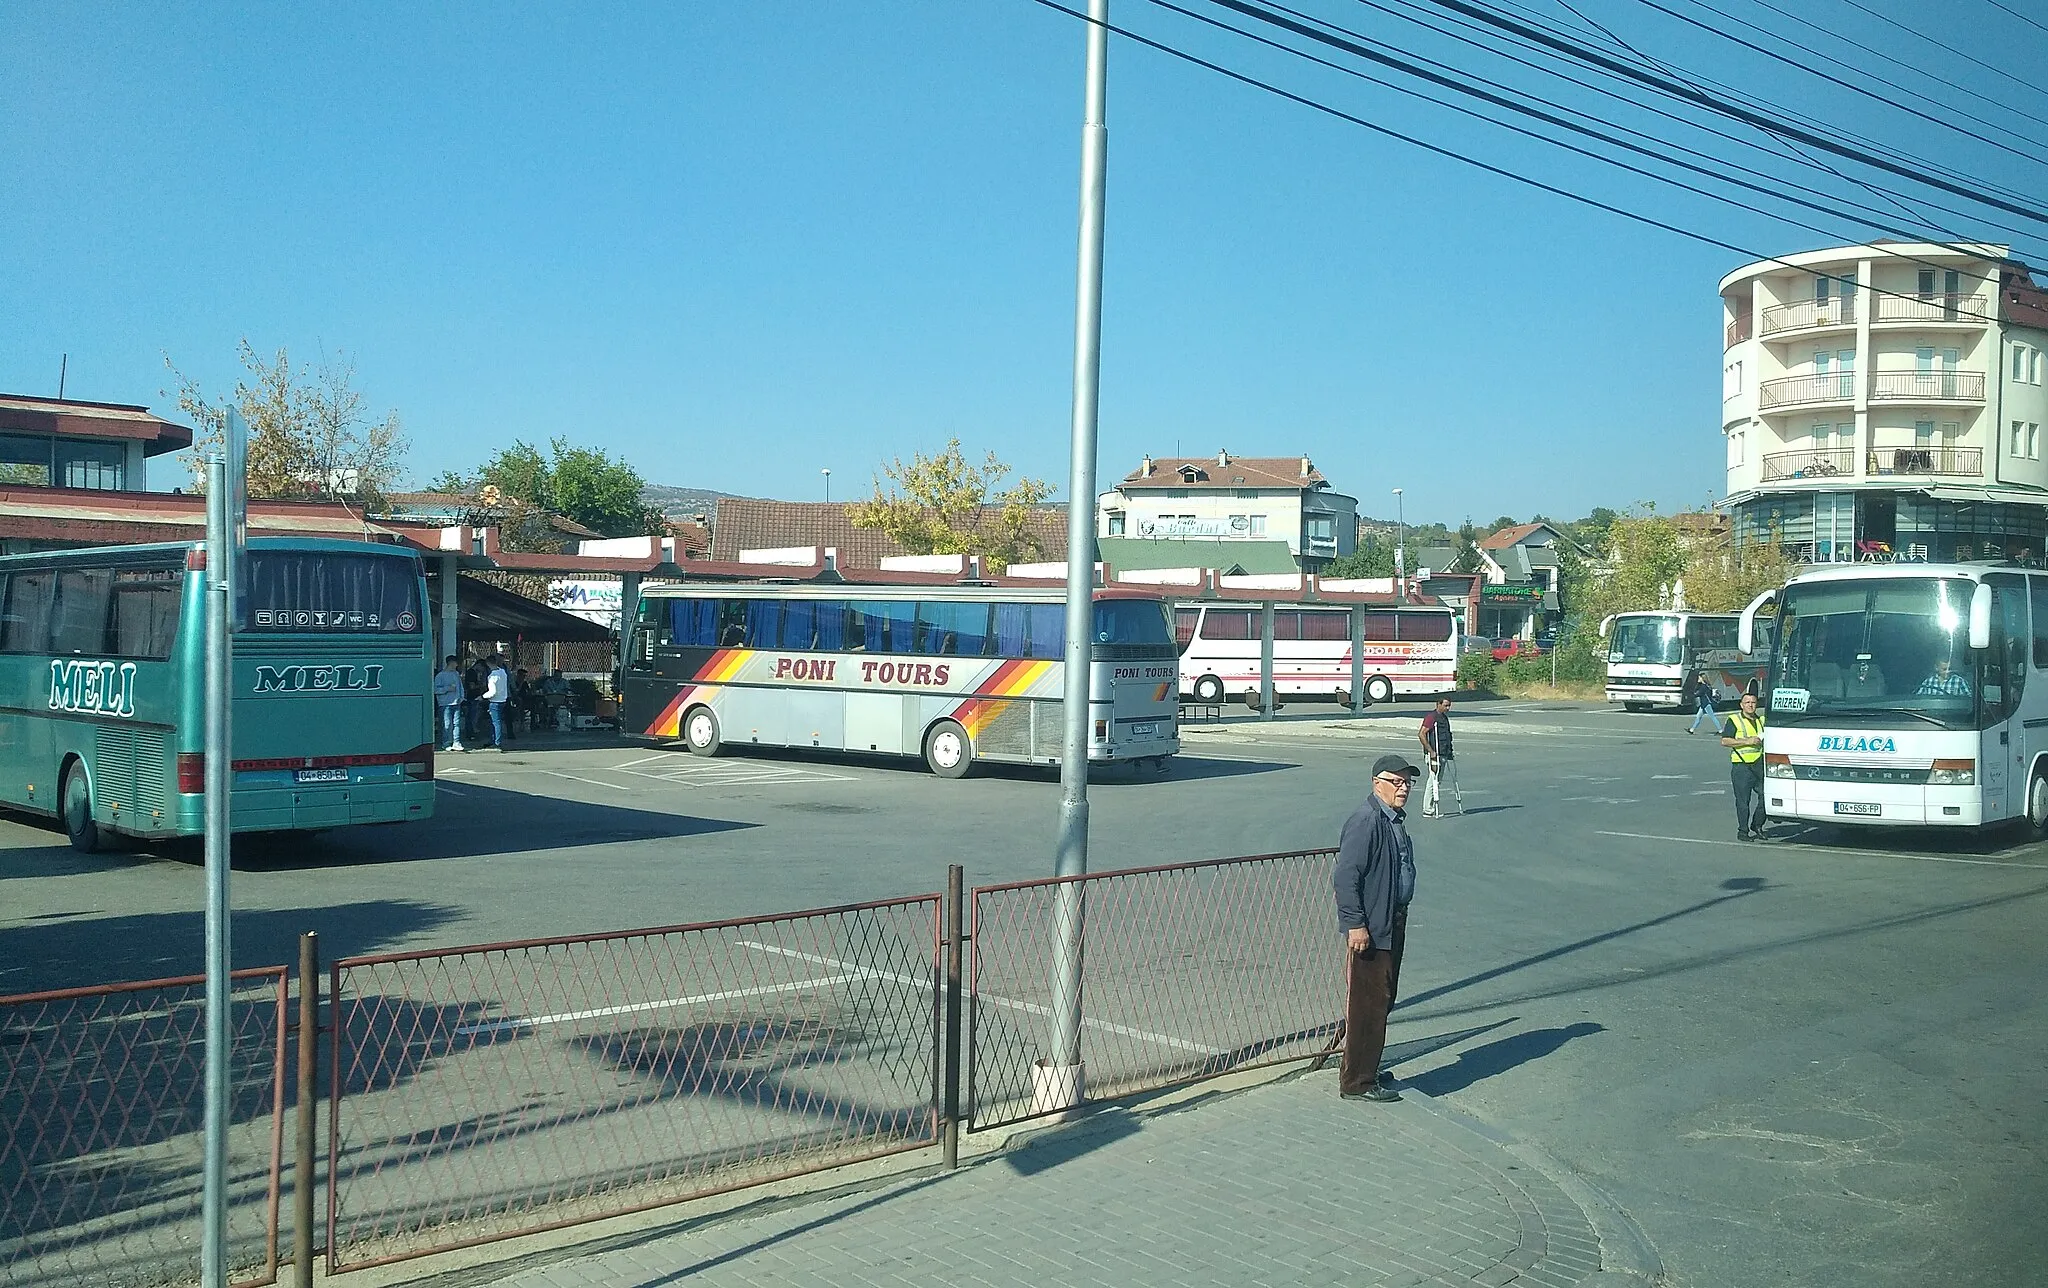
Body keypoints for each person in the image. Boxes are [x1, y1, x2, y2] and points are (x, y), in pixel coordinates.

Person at [1332, 754, 1420, 1103]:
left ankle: (1366, 1065)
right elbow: (1345, 875)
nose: (1404, 788)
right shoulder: (1366, 821)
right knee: (1369, 1004)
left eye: (1408, 782)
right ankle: (1357, 1082)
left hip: (1391, 920)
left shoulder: (1393, 820)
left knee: (1383, 999)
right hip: (1371, 927)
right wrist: (1355, 924)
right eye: (1396, 782)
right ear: (1376, 783)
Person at [1720, 691, 1767, 841]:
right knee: (1743, 802)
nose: (1750, 705)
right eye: (1747, 702)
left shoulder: (1762, 720)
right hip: (1741, 765)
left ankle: (1757, 824)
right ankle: (1743, 831)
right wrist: (1747, 741)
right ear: (1741, 705)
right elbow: (1725, 741)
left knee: (1766, 797)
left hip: (1759, 763)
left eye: (1753, 702)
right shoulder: (1734, 720)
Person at [1417, 697, 1459, 817]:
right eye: (1445, 705)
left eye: (1449, 705)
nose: (1448, 708)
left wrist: (1449, 752)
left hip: (1443, 753)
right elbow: (1421, 734)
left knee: (1437, 781)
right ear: (1438, 704)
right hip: (1434, 755)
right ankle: (1428, 809)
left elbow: (1447, 736)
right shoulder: (1432, 717)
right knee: (1433, 780)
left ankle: (1430, 808)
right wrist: (1430, 751)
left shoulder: (1444, 718)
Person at [433, 655, 466, 752]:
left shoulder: (456, 674)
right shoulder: (440, 675)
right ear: (451, 663)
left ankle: (456, 742)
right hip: (445, 703)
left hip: (456, 702)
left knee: (456, 723)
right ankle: (446, 742)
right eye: (456, 663)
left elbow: (460, 687)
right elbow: (435, 690)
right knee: (447, 724)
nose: (457, 665)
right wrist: (447, 689)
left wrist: (462, 697)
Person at [484, 654, 511, 751]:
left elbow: (492, 692)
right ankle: (494, 740)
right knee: (497, 721)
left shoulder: (492, 676)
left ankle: (496, 742)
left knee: (495, 722)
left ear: (488, 664)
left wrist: (483, 696)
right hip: (503, 699)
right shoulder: (503, 672)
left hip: (494, 701)